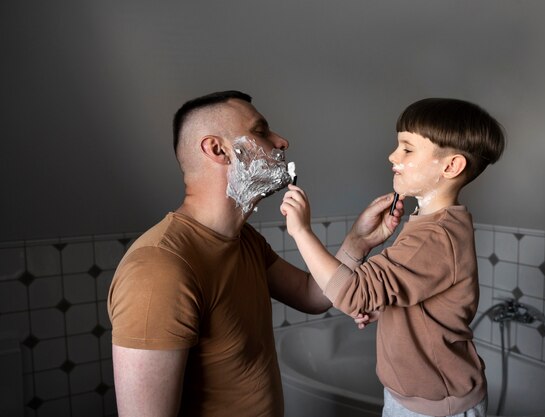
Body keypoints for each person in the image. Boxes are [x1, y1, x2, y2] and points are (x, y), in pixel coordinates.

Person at [107, 90, 405, 417]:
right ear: (218, 149)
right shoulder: (158, 269)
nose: (282, 142)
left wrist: (357, 242)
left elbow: (312, 295)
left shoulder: (242, 239)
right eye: (260, 131)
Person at [280, 97, 506, 417]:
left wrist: (301, 232)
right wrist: (388, 310)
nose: (392, 156)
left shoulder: (433, 235)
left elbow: (353, 294)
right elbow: (418, 295)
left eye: (407, 148)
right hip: (422, 399)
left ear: (451, 166)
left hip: (436, 409)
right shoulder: (435, 225)